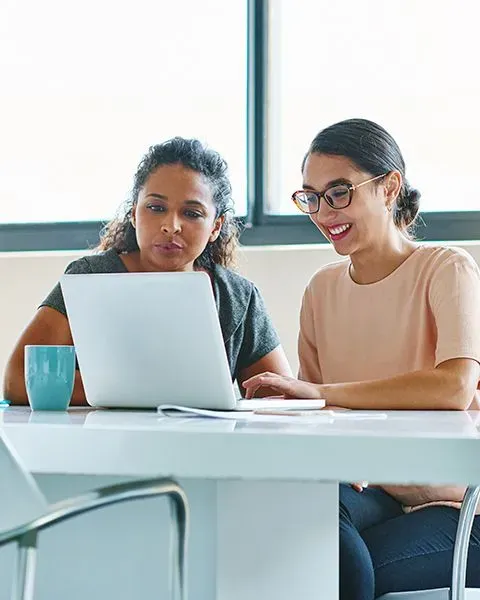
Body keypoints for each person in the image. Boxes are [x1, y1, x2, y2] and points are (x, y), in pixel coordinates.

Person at [243, 118, 480, 598]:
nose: (324, 211)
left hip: (456, 509)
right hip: (370, 492)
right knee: (296, 517)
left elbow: (453, 388)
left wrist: (323, 394)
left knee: (325, 565)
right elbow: (317, 417)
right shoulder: (322, 289)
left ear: (390, 187)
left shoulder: (446, 269)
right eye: (311, 196)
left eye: (339, 192)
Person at [4, 137, 291, 405]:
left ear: (216, 226)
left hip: (201, 448)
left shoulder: (237, 297)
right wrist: (147, 392)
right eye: (155, 207)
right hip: (99, 447)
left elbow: (279, 397)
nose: (171, 226)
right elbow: (18, 381)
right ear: (133, 213)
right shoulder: (90, 277)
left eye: (191, 213)